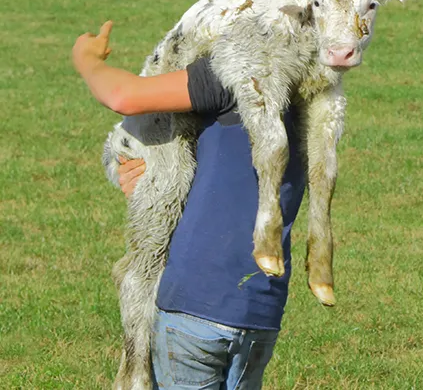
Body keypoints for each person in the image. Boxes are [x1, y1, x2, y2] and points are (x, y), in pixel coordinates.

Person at [73, 21, 306, 389]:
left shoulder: (230, 75)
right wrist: (141, 173)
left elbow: (123, 96)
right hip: (261, 310)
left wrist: (87, 60)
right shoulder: (311, 103)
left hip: (192, 305)